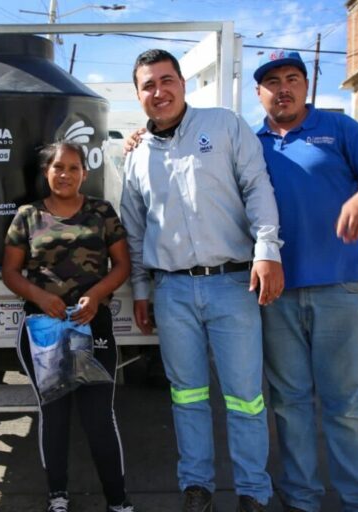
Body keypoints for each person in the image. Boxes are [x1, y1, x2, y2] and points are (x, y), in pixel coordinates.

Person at [120, 49, 283, 512]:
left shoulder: (225, 126)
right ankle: (198, 487)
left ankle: (253, 491)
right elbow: (135, 231)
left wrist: (267, 251)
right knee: (186, 395)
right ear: (138, 95)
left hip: (233, 286)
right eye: (148, 85)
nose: (159, 91)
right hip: (171, 292)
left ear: (183, 83)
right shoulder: (133, 158)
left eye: (166, 80)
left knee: (245, 398)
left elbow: (257, 188)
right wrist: (142, 289)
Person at [253, 51, 358, 512]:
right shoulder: (247, 142)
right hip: (275, 295)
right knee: (290, 403)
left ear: (305, 86)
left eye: (293, 78)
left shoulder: (340, 130)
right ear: (258, 93)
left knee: (346, 406)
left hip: (340, 288)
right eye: (273, 81)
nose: (284, 88)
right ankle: (301, 499)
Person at [2, 142, 134, 512]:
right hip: (44, 328)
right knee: (55, 413)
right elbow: (10, 271)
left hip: (94, 326)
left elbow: (122, 265)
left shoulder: (101, 212)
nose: (65, 174)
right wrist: (40, 297)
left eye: (73, 168)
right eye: (58, 167)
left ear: (84, 173)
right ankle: (57, 495)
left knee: (98, 414)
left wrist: (95, 296)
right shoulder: (27, 215)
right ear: (47, 172)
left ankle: (117, 500)